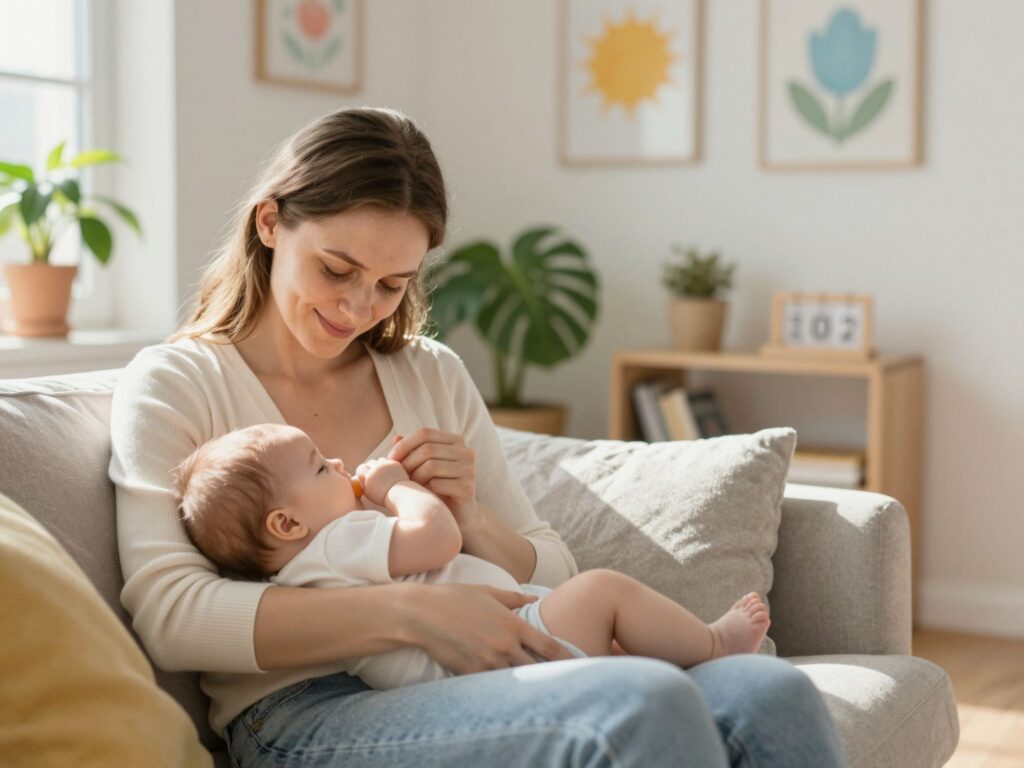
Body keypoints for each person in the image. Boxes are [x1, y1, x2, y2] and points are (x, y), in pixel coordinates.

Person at [110, 106, 848, 767]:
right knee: (639, 702)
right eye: (337, 268)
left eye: (393, 284)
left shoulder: (428, 374)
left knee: (767, 692)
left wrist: (470, 519)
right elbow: (172, 617)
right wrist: (415, 615)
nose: (358, 306)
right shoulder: (179, 382)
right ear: (270, 224)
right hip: (301, 711)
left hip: (478, 672)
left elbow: (552, 569)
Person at [173, 422, 773, 690]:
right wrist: (393, 487)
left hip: (486, 654)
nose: (336, 464)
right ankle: (713, 645)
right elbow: (436, 540)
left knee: (619, 646)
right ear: (287, 522)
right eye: (318, 466)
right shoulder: (338, 542)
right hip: (495, 654)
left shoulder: (318, 565)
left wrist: (467, 505)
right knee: (603, 591)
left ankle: (690, 663)